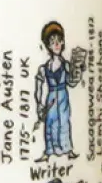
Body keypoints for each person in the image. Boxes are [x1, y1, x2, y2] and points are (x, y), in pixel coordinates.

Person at [34, 21, 83, 160]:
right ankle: (49, 151)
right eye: (52, 42)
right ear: (48, 46)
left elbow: (71, 82)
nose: (56, 45)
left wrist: (78, 70)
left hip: (62, 97)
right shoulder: (44, 68)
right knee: (50, 123)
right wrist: (39, 103)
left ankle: (68, 150)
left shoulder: (66, 65)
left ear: (62, 43)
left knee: (64, 122)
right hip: (51, 98)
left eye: (58, 41)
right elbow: (38, 86)